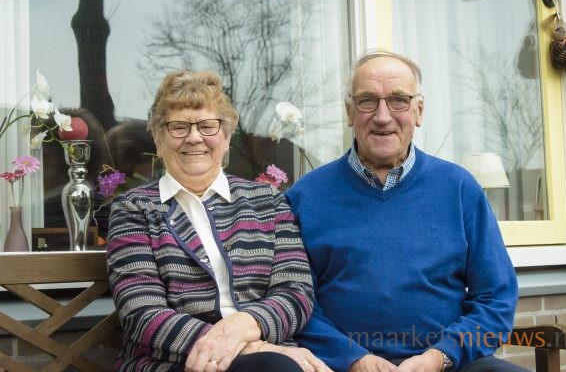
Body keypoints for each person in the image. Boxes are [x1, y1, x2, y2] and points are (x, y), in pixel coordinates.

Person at [285, 50, 526, 372]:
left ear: (419, 111)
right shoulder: (306, 197)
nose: (383, 116)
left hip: (449, 363)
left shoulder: (459, 188)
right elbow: (294, 301)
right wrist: (352, 358)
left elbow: (496, 296)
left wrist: (439, 356)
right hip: (339, 365)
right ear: (349, 111)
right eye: (367, 101)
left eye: (398, 100)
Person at [107, 70, 330, 372]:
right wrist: (248, 347)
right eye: (178, 127)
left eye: (207, 126)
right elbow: (142, 312)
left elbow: (295, 292)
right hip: (174, 361)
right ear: (158, 140)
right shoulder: (134, 209)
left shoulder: (268, 201)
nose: (194, 137)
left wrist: (245, 328)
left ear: (226, 138)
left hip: (268, 357)